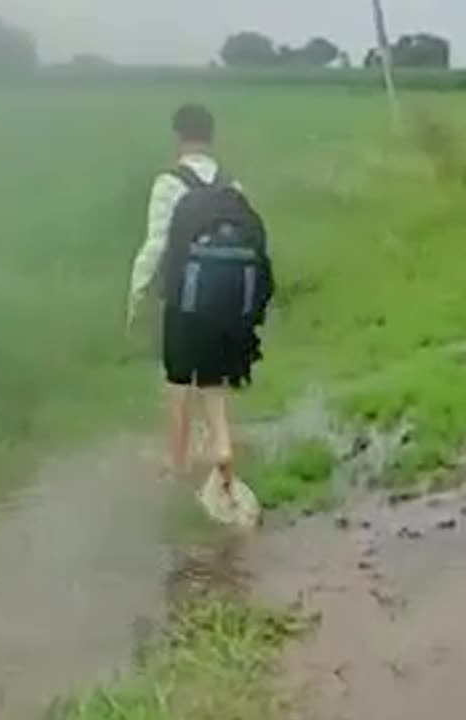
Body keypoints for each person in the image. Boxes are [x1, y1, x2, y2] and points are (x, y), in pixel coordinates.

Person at [126, 103, 274, 520]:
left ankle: (178, 465)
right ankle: (222, 447)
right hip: (233, 301)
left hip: (187, 301)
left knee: (176, 380)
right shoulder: (233, 185)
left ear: (178, 138)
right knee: (212, 379)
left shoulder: (170, 183)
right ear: (211, 138)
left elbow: (155, 245)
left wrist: (136, 297)